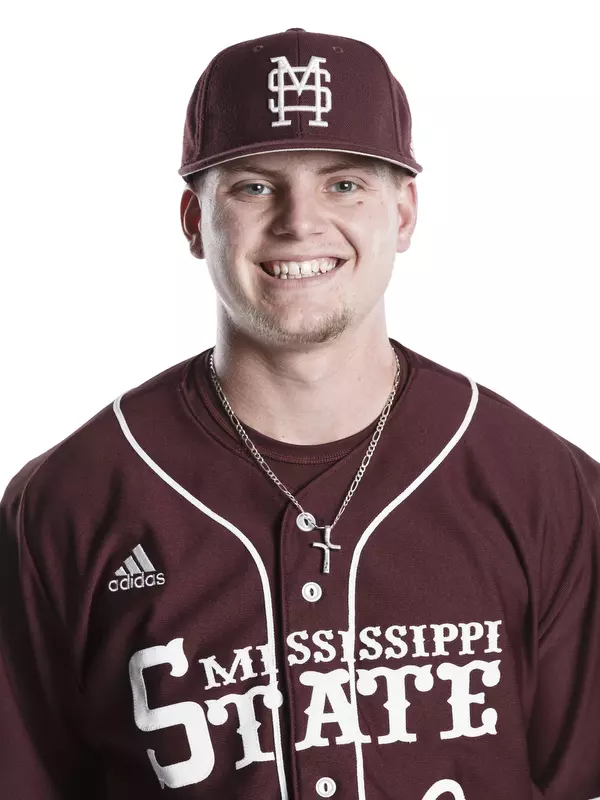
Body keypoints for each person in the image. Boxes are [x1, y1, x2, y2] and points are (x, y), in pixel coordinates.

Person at [0, 27, 598, 800]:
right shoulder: (67, 505)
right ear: (193, 220)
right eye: (254, 186)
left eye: (345, 183)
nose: (299, 223)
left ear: (406, 212)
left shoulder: (545, 488)